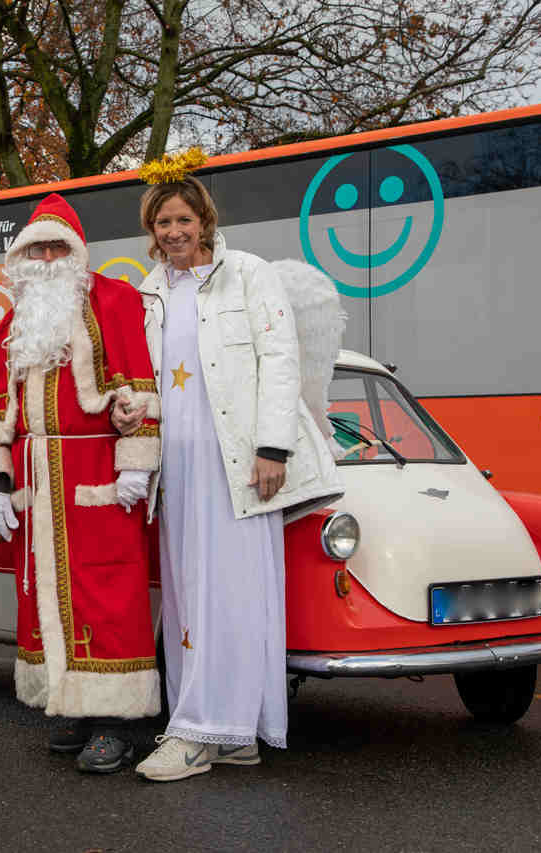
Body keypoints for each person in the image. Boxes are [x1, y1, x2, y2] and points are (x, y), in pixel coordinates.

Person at [123, 172, 343, 782]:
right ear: (151, 229)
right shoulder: (148, 292)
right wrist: (130, 410)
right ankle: (223, 729)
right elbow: (149, 379)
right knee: (189, 592)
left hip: (239, 465)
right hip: (178, 467)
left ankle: (207, 728)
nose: (173, 232)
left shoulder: (248, 272)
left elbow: (280, 359)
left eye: (183, 220)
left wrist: (273, 447)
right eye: (163, 222)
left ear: (205, 221)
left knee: (234, 594)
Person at [0, 193, 162, 774]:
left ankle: (114, 724)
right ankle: (69, 704)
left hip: (98, 475)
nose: (46, 256)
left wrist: (135, 465)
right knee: (43, 596)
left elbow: (138, 385)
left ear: (75, 251)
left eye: (56, 246)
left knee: (107, 596)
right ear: (22, 256)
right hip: (37, 480)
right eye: (37, 247)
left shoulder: (114, 301)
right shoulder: (16, 322)